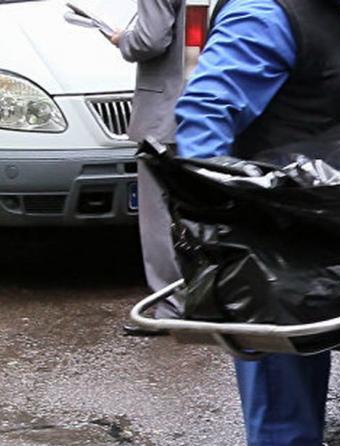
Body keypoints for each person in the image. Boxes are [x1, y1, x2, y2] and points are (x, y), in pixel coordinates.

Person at [174, 0, 340, 446]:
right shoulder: (265, 14)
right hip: (269, 246)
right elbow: (204, 119)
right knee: (282, 419)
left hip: (328, 230)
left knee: (306, 380)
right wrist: (221, 238)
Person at [110, 0, 187, 335]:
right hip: (218, 106)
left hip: (166, 110)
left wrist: (123, 40)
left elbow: (150, 40)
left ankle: (172, 307)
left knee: (159, 216)